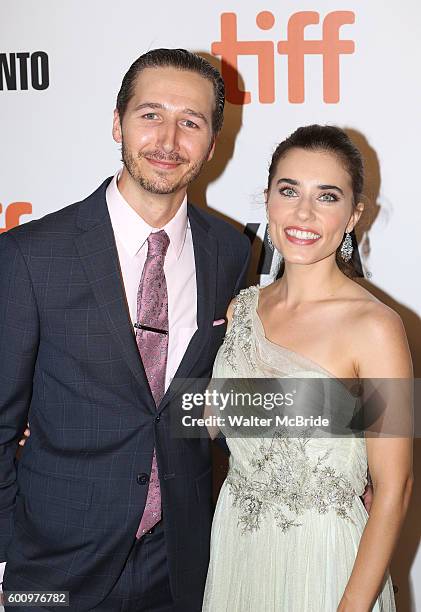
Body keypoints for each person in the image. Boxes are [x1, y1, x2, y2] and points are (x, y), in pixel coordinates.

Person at [0, 48, 250, 611]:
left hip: (185, 564)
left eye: (191, 122)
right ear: (117, 123)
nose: (168, 140)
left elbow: (205, 407)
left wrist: (365, 421)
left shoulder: (231, 251)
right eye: (150, 114)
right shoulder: (31, 255)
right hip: (54, 566)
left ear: (212, 144)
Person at [202, 125, 413, 611]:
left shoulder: (377, 328)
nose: (303, 213)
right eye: (289, 190)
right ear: (269, 199)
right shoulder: (241, 310)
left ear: (354, 215)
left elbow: (395, 487)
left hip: (326, 562)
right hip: (238, 549)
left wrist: (352, 607)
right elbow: (212, 422)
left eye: (328, 196)